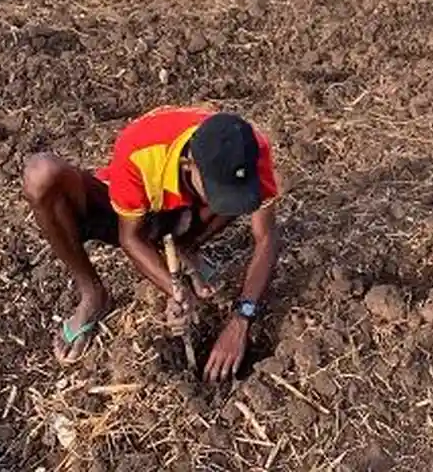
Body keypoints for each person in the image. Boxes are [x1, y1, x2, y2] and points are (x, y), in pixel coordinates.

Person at [22, 107, 281, 382]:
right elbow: (130, 237)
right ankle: (92, 293)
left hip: (188, 211)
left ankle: (187, 247)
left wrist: (241, 320)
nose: (231, 198)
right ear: (188, 166)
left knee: (238, 197)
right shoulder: (141, 150)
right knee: (42, 175)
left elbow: (266, 236)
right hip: (138, 212)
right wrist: (175, 289)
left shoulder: (248, 149)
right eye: (219, 190)